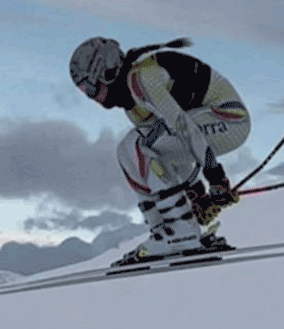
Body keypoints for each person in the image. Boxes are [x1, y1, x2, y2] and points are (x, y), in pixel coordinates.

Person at [68, 36, 251, 265]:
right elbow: (171, 151)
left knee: (137, 144)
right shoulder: (132, 104)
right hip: (204, 126)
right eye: (85, 91)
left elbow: (185, 130)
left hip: (229, 119)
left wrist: (216, 179)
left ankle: (181, 231)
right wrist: (197, 194)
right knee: (129, 151)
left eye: (90, 88)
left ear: (107, 72)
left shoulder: (143, 81)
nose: (92, 97)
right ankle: (165, 231)